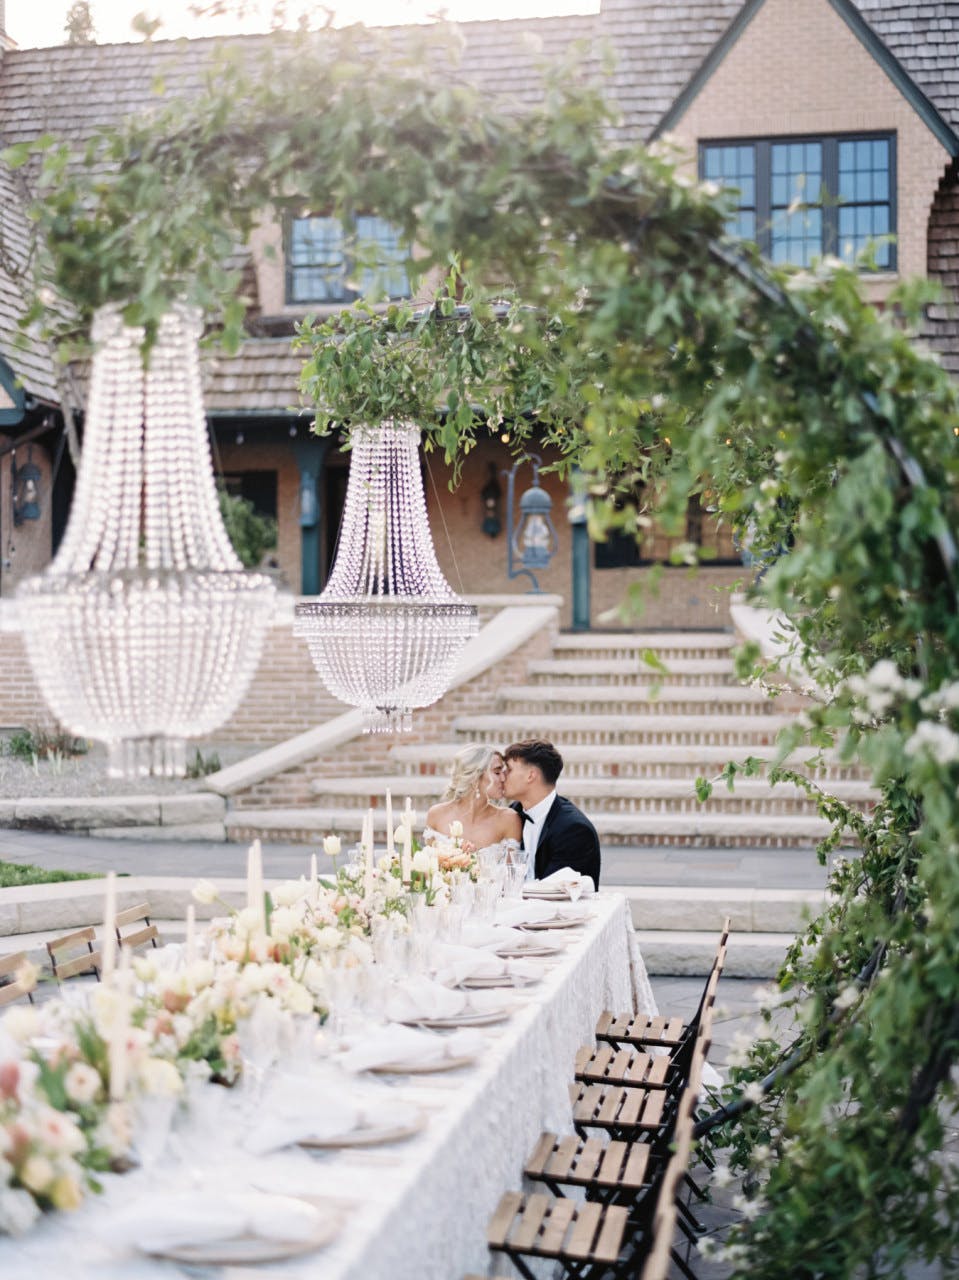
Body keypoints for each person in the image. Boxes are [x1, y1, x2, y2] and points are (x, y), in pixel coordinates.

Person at [503, 739, 601, 888]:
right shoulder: (512, 813)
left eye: (509, 770)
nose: (502, 776)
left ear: (531, 775)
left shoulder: (574, 829)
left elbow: (555, 892)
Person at [424, 744, 522, 860]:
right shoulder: (436, 815)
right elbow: (427, 871)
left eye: (503, 772)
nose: (503, 778)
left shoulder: (509, 820)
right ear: (475, 776)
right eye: (497, 772)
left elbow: (512, 874)